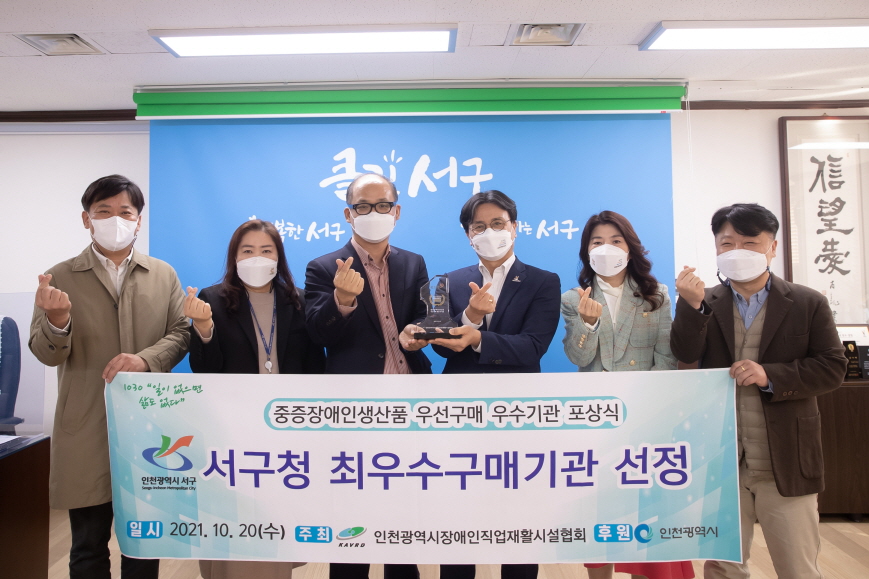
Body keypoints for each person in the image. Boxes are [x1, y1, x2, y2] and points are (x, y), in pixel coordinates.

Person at [670, 203, 847, 579]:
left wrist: (770, 376)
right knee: (723, 567)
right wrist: (690, 306)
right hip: (722, 462)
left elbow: (832, 368)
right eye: (727, 243)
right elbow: (684, 356)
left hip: (785, 459)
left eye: (750, 243)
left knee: (797, 567)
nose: (737, 251)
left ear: (773, 247)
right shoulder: (705, 301)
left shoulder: (807, 302)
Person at [29, 175, 189, 579]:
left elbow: (182, 333)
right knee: (87, 548)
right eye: (104, 211)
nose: (115, 220)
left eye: (125, 212)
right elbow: (45, 353)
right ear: (87, 219)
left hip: (150, 427)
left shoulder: (163, 274)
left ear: (139, 221)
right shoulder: (58, 277)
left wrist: (146, 360)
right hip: (85, 426)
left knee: (144, 544)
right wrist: (58, 320)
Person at [304, 172, 431, 579]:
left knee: (404, 504)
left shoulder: (413, 262)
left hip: (409, 399)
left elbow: (423, 317)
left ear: (396, 211)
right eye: (362, 206)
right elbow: (318, 335)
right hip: (354, 404)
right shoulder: (323, 267)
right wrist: (341, 299)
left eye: (382, 205)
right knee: (352, 508)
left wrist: (417, 333)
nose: (373, 213)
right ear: (348, 214)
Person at [429, 189, 561, 579]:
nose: (490, 233)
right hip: (460, 415)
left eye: (498, 223)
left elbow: (533, 347)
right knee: (459, 519)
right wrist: (470, 317)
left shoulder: (543, 281)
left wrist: (478, 339)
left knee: (519, 518)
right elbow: (438, 345)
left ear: (514, 227)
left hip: (518, 415)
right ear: (468, 235)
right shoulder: (448, 282)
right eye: (479, 226)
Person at [186, 218, 324, 579]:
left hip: (284, 428)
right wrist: (203, 329)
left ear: (279, 257)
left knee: (275, 515)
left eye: (266, 250)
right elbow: (204, 370)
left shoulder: (298, 301)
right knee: (234, 515)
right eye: (247, 250)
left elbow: (314, 366)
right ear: (234, 257)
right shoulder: (212, 299)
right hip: (232, 428)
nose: (257, 257)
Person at [561, 211, 692, 579]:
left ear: (630, 249)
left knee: (645, 514)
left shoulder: (657, 295)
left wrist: (640, 407)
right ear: (587, 251)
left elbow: (667, 358)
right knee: (600, 514)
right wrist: (588, 323)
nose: (606, 248)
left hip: (645, 418)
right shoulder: (574, 299)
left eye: (615, 241)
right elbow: (578, 358)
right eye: (597, 242)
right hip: (596, 422)